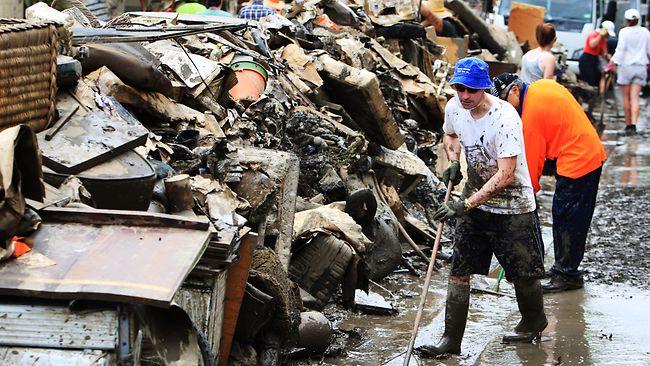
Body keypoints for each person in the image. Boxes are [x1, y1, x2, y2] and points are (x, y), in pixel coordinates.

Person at [419, 58, 547, 358]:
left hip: (513, 205)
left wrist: (464, 204)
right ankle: (451, 341)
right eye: (459, 88)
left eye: (471, 91)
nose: (464, 96)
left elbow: (506, 175)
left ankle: (533, 321)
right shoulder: (454, 108)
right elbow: (450, 135)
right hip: (475, 201)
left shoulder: (504, 118)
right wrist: (453, 161)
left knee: (523, 273)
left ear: (485, 88)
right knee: (459, 272)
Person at [491, 73, 607, 293]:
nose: (504, 107)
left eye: (504, 100)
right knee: (567, 215)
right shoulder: (540, 86)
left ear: (515, 90)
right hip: (583, 149)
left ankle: (567, 275)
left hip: (579, 159)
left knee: (568, 218)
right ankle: (562, 268)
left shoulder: (531, 117)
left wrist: (522, 203)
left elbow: (530, 176)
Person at [611, 8, 650, 133]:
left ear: (626, 20)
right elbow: (648, 51)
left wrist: (612, 62)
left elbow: (620, 49)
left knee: (626, 98)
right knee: (635, 98)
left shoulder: (624, 32)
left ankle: (628, 125)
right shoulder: (645, 32)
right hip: (640, 67)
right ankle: (634, 124)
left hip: (626, 67)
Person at [579, 21, 614, 87]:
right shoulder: (594, 34)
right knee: (587, 80)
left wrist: (608, 57)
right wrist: (600, 35)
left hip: (594, 59)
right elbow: (592, 45)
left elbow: (604, 52)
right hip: (587, 59)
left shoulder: (603, 39)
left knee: (594, 80)